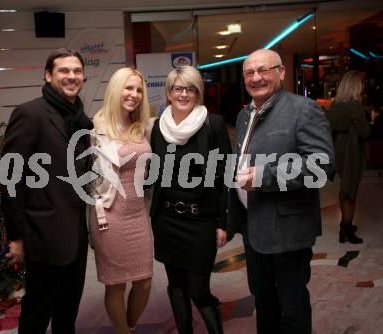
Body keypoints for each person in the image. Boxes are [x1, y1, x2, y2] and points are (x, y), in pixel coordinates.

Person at [228, 49, 334, 334]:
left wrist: (264, 176)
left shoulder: (303, 109)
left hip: (288, 230)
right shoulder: (243, 114)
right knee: (264, 301)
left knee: (292, 306)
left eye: (264, 70)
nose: (256, 77)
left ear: (282, 72)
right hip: (254, 228)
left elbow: (321, 167)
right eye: (249, 73)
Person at [0, 48, 93, 333]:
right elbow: (10, 178)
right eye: (64, 71)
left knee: (68, 310)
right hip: (44, 233)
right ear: (48, 75)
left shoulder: (79, 116)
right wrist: (16, 236)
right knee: (37, 313)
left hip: (76, 232)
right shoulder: (30, 113)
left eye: (77, 71)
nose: (72, 76)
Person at [149, 65, 232, 334]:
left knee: (198, 288)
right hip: (167, 219)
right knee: (175, 285)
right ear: (169, 93)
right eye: (178, 88)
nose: (184, 94)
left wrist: (223, 222)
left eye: (190, 89)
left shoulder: (214, 124)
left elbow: (224, 177)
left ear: (198, 93)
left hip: (201, 220)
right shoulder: (158, 129)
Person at [88, 67, 153, 334]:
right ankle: (123, 331)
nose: (134, 95)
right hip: (109, 216)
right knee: (116, 284)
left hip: (138, 214)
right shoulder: (97, 127)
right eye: (128, 88)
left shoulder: (143, 126)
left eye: (139, 90)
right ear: (115, 89)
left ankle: (131, 325)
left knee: (145, 282)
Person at [327, 70, 378, 244]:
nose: (363, 87)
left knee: (344, 188)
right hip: (352, 150)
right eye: (362, 84)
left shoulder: (335, 104)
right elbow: (365, 133)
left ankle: (345, 225)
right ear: (356, 86)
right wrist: (372, 120)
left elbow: (330, 128)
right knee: (351, 191)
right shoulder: (355, 106)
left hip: (339, 149)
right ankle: (347, 228)